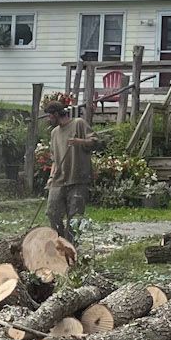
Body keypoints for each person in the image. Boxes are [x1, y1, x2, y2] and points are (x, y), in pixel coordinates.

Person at [43, 99, 97, 241]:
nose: (49, 119)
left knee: (75, 217)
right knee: (51, 212)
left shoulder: (78, 123)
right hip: (59, 179)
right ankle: (61, 240)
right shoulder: (54, 133)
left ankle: (72, 246)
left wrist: (79, 141)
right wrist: (50, 177)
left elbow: (95, 141)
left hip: (78, 178)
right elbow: (55, 159)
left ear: (56, 113)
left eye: (50, 116)